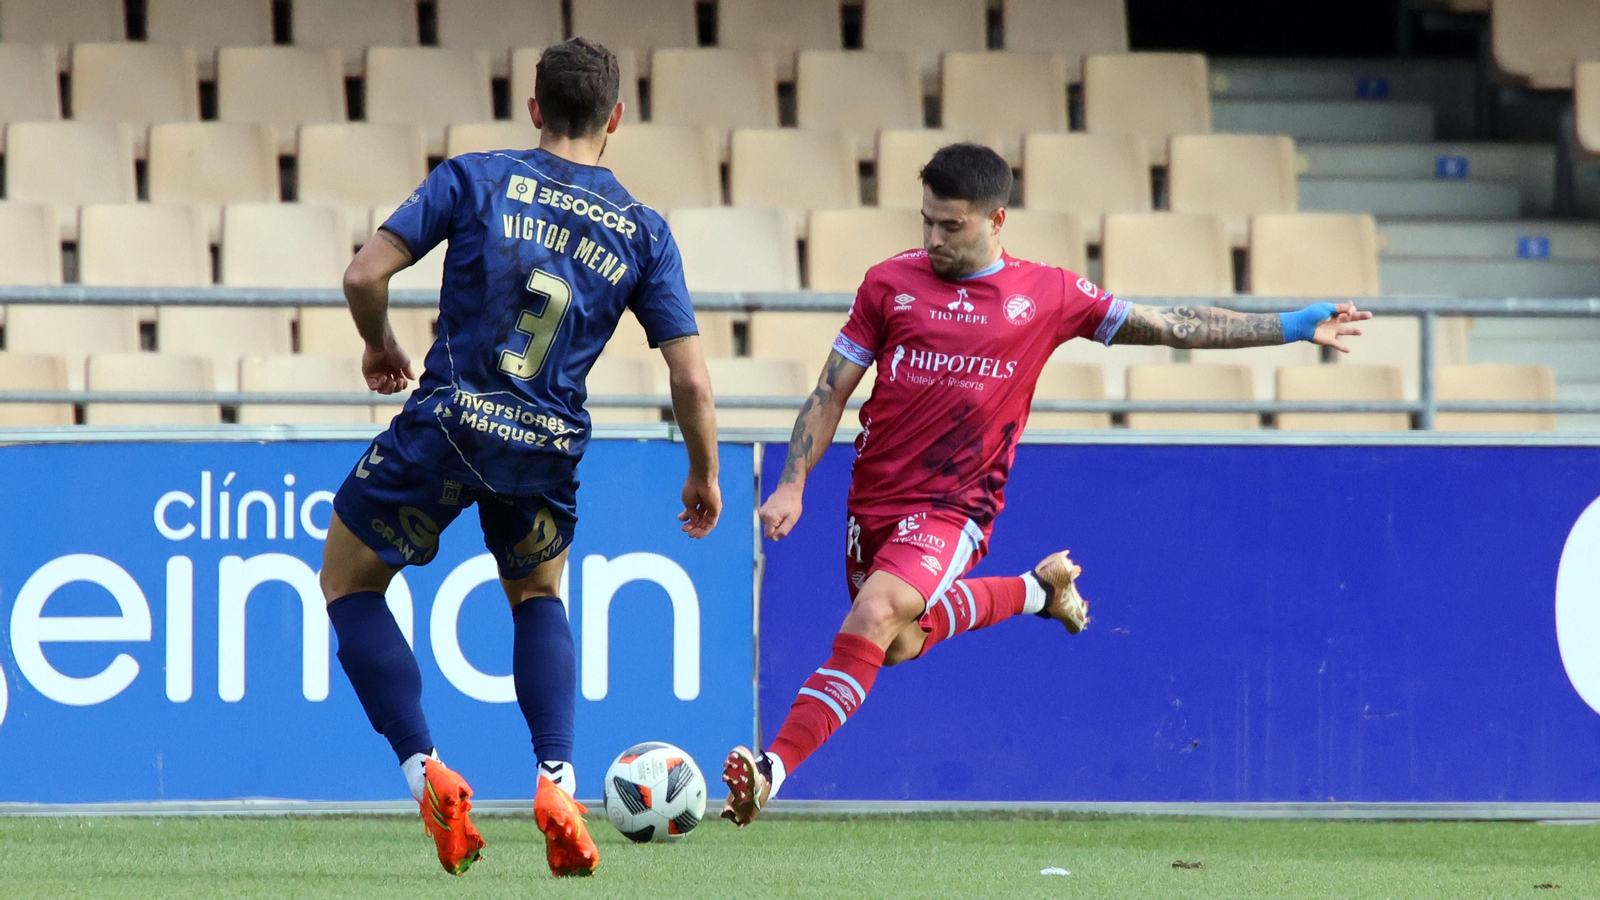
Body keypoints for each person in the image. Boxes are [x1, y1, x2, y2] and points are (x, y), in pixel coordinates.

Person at [719, 143, 1369, 825]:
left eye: (952, 226)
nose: (934, 240)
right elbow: (830, 391)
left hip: (954, 506)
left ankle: (773, 769)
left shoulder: (1049, 294)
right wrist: (794, 483)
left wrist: (1291, 327)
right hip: (874, 499)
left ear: (997, 219)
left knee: (877, 615)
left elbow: (1172, 324)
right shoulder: (887, 284)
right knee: (899, 643)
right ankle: (1037, 591)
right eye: (927, 223)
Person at [319, 37, 722, 877]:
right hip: (544, 445)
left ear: (533, 108)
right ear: (616, 117)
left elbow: (364, 275)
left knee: (348, 582)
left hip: (449, 423)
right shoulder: (645, 231)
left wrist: (379, 343)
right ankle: (556, 779)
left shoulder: (473, 177)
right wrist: (704, 470)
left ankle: (426, 770)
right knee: (538, 596)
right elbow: (689, 376)